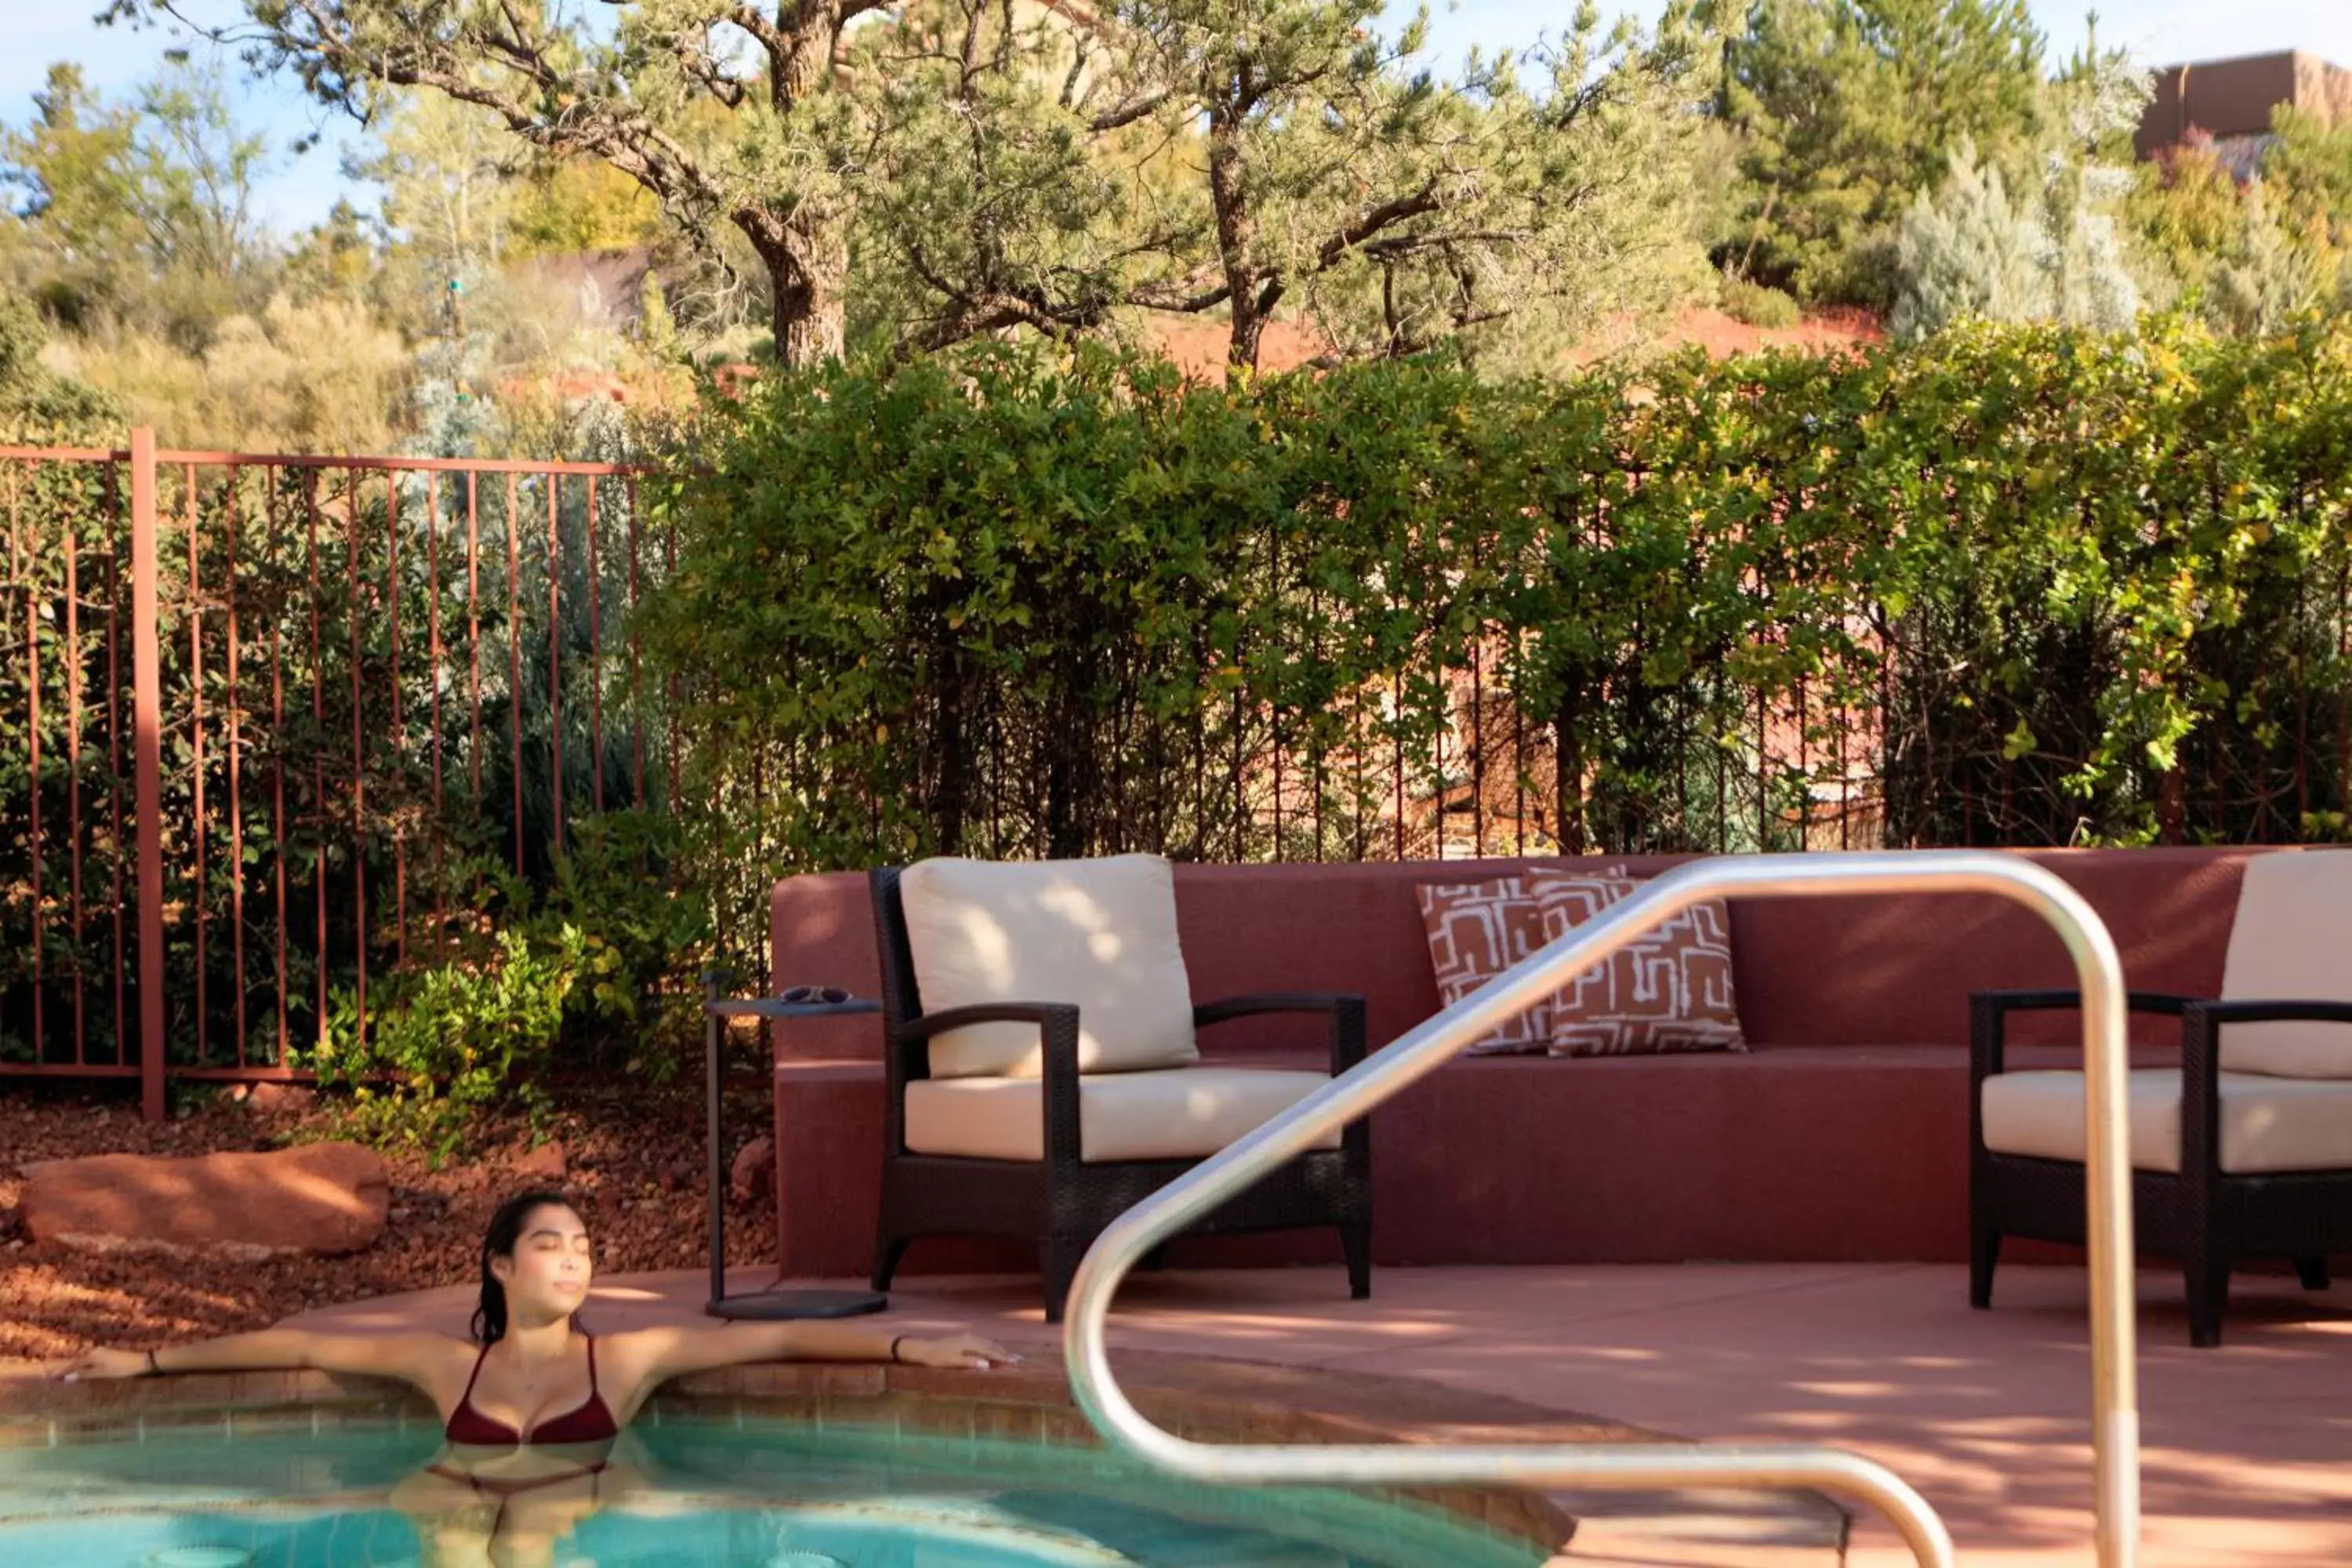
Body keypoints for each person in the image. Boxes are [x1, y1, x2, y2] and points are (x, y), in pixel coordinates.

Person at [52, 1189, 1019, 1568]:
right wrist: (143, 1359)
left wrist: (906, 1350)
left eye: (583, 1248)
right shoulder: (444, 1365)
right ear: (502, 1267)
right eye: (548, 1245)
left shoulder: (627, 1358)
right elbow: (300, 1348)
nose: (571, 1260)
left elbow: (772, 1345)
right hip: (442, 1515)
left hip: (567, 1529)